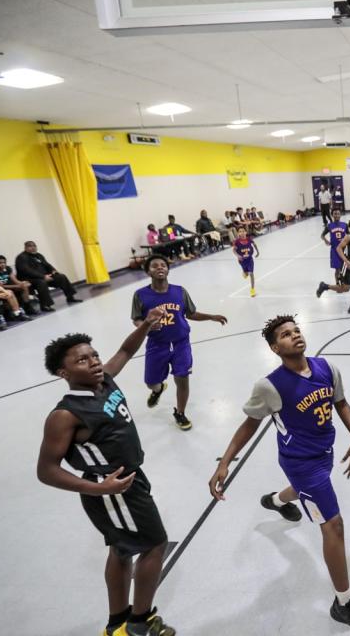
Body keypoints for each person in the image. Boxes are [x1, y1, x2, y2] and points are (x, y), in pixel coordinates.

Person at [209, 315, 350, 633]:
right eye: (286, 335)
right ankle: (344, 603)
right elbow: (249, 424)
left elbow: (342, 403)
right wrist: (225, 462)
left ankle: (276, 500)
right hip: (300, 462)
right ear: (276, 347)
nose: (295, 336)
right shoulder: (269, 386)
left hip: (325, 453)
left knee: (304, 492)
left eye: (297, 330)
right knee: (334, 526)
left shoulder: (326, 368)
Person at [37, 311, 176, 636]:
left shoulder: (104, 381)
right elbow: (46, 470)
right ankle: (140, 622)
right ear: (63, 372)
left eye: (94, 355)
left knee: (122, 548)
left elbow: (125, 352)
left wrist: (145, 326)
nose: (95, 362)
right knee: (155, 544)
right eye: (82, 360)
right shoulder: (66, 414)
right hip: (113, 488)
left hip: (128, 479)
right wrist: (98, 489)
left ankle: (117, 623)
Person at [131, 255, 227, 431]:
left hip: (181, 344)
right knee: (151, 382)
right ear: (148, 271)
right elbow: (136, 319)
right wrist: (147, 326)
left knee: (182, 379)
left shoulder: (179, 291)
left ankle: (180, 412)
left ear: (168, 269)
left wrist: (211, 317)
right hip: (156, 345)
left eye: (163, 265)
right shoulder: (140, 295)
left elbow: (190, 314)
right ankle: (158, 389)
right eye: (154, 266)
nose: (159, 267)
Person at [317, 216, 350, 314]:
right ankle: (324, 286)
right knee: (345, 289)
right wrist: (346, 261)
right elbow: (339, 248)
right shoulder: (349, 236)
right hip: (346, 265)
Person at [15, 240, 81, 310]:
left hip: (44, 276)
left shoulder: (38, 255)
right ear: (25, 248)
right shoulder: (21, 257)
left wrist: (54, 271)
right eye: (30, 246)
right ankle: (45, 305)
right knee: (41, 282)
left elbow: (47, 265)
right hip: (30, 279)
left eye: (34, 246)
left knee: (61, 277)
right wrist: (43, 276)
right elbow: (27, 271)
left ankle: (70, 297)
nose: (33, 247)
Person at [320, 207, 348, 287]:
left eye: (338, 213)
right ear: (332, 215)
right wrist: (326, 240)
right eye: (335, 214)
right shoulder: (329, 226)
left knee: (343, 267)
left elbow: (349, 236)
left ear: (340, 215)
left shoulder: (344, 225)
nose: (336, 215)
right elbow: (322, 235)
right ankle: (337, 283)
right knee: (337, 268)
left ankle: (343, 281)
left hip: (343, 250)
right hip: (334, 250)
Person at [233, 227, 260, 297]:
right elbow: (234, 250)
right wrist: (238, 255)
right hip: (242, 261)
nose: (242, 233)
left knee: (251, 273)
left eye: (243, 231)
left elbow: (254, 244)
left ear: (245, 232)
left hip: (250, 259)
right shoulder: (237, 241)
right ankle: (244, 272)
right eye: (240, 231)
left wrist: (258, 252)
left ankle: (252, 290)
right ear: (238, 233)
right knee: (246, 274)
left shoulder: (249, 239)